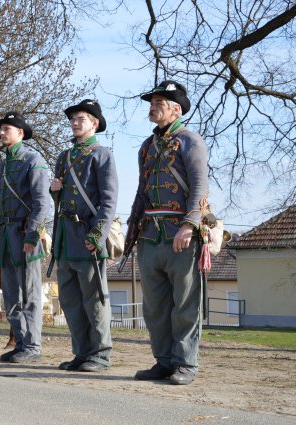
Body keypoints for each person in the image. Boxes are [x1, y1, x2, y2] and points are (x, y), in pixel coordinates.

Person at [129, 80, 209, 385]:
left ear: (176, 110)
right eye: (152, 102)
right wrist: (132, 228)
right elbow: (142, 191)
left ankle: (185, 363)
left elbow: (200, 187)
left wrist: (189, 225)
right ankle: (163, 361)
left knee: (185, 304)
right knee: (155, 307)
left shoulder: (191, 141)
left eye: (159, 103)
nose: (153, 107)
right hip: (150, 235)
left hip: (181, 234)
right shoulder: (147, 147)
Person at [50, 99, 118, 372]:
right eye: (73, 118)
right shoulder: (63, 158)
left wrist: (97, 236)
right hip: (66, 238)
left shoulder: (102, 155)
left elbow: (109, 201)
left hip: (87, 237)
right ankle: (81, 352)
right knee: (70, 301)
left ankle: (100, 355)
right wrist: (55, 191)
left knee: (95, 300)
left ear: (95, 124)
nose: (75, 122)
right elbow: (60, 204)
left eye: (82, 118)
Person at [0, 112, 50, 363]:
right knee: (10, 292)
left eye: (6, 129)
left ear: (20, 133)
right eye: (1, 129)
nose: (1, 133)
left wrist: (33, 234)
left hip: (25, 234)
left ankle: (32, 345)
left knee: (29, 292)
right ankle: (20, 341)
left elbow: (42, 203)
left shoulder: (33, 160)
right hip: (6, 236)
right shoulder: (3, 165)